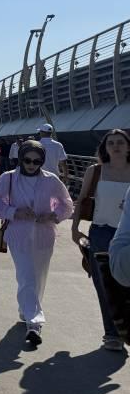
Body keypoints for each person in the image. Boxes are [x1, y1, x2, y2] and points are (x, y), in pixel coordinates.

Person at [0, 140, 74, 345]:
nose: (31, 164)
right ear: (21, 158)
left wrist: (54, 216)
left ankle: (26, 310)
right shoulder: (8, 178)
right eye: (27, 160)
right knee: (27, 276)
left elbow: (67, 204)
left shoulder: (51, 180)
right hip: (18, 235)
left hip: (45, 236)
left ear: (42, 161)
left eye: (37, 161)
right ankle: (34, 324)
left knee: (39, 278)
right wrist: (13, 212)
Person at [73, 129, 130, 350]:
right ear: (105, 148)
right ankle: (112, 334)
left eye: (120, 142)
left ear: (128, 147)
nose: (115, 146)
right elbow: (81, 199)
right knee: (105, 284)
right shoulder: (96, 171)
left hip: (126, 232)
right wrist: (75, 228)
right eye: (111, 143)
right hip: (101, 232)